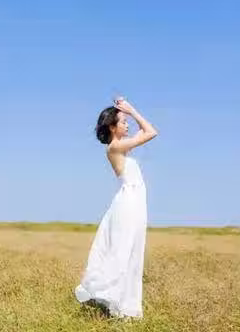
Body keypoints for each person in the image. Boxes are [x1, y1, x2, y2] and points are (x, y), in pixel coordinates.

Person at [75, 97, 158, 318]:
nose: (127, 124)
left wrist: (127, 111)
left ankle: (123, 306)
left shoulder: (121, 146)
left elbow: (148, 132)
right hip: (128, 203)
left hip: (134, 201)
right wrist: (132, 110)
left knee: (131, 251)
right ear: (112, 127)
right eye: (123, 121)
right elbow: (151, 132)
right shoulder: (116, 146)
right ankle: (117, 305)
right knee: (124, 251)